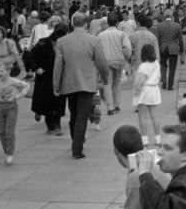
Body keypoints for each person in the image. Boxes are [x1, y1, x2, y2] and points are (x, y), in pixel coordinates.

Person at [54, 12, 107, 160]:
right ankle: (77, 148)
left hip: (69, 83)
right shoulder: (94, 40)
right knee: (82, 117)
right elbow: (102, 63)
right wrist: (105, 78)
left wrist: (56, 85)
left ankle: (75, 140)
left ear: (72, 23)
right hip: (87, 83)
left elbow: (58, 66)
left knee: (74, 114)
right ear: (86, 24)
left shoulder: (62, 42)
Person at [31, 23, 68, 135]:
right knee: (48, 101)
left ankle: (57, 124)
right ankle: (50, 125)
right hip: (46, 77)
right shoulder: (43, 43)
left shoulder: (66, 44)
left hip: (61, 77)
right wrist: (36, 68)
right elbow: (31, 57)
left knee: (59, 101)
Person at [97, 14, 132, 115]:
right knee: (116, 83)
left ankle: (110, 107)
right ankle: (117, 105)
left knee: (107, 84)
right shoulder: (121, 34)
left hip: (106, 62)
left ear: (107, 23)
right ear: (117, 23)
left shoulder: (101, 35)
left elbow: (98, 50)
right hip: (119, 61)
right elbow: (127, 49)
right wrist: (127, 58)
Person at [132, 43, 162, 146]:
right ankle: (158, 139)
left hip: (145, 90)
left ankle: (144, 140)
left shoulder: (143, 66)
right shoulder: (157, 64)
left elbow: (139, 81)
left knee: (143, 117)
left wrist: (136, 93)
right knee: (155, 116)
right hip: (154, 89)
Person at [155, 9, 183, 90]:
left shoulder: (159, 26)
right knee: (172, 68)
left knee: (163, 66)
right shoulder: (177, 25)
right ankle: (170, 85)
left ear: (164, 16)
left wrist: (159, 48)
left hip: (163, 48)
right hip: (173, 48)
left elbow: (158, 39)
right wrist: (181, 50)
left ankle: (164, 82)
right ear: (172, 16)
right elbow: (180, 39)